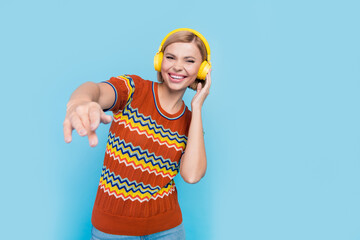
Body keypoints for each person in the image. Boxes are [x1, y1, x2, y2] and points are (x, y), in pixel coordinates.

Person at [63, 28, 212, 240]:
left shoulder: (191, 121)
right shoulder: (134, 89)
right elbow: (94, 90)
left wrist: (197, 107)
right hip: (112, 231)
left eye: (189, 61)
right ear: (159, 61)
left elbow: (192, 175)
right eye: (170, 57)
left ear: (202, 70)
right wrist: (80, 102)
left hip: (168, 230)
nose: (178, 66)